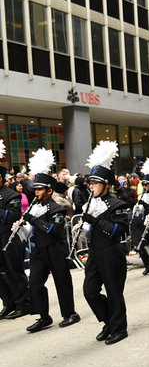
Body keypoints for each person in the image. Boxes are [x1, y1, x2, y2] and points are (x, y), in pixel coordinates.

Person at [75, 141, 129, 344]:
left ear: (106, 185)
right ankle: (108, 321)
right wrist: (81, 229)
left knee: (114, 292)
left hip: (112, 252)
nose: (91, 187)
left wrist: (94, 221)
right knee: (90, 291)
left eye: (95, 183)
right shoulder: (91, 203)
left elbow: (119, 231)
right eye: (90, 183)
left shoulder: (118, 204)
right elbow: (90, 230)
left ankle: (119, 328)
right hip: (95, 252)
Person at [23, 149, 79, 332]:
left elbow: (53, 229)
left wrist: (33, 220)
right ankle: (44, 316)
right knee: (35, 283)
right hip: (39, 250)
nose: (36, 192)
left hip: (55, 248)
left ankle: (70, 313)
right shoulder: (35, 206)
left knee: (62, 282)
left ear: (49, 191)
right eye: (35, 189)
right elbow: (32, 228)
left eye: (39, 189)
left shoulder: (56, 208)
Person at [0, 148, 31, 320]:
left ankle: (23, 304)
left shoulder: (11, 195)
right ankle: (9, 302)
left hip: (8, 237)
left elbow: (12, 215)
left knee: (13, 271)